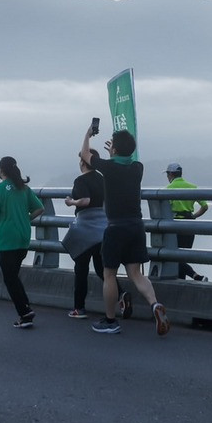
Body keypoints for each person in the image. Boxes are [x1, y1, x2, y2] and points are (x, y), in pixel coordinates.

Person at [81, 126, 170, 336]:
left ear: (114, 150)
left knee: (109, 274)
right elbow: (125, 157)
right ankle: (155, 304)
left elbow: (86, 155)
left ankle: (111, 320)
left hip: (115, 228)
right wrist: (117, 151)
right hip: (136, 226)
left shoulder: (109, 168)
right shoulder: (138, 167)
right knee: (136, 274)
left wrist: (87, 134)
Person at [0, 156, 43, 328]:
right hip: (23, 237)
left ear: (1, 170)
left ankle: (24, 313)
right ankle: (26, 307)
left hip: (7, 238)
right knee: (13, 276)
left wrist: (1, 220)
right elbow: (40, 208)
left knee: (9, 278)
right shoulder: (23, 188)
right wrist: (25, 218)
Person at [62, 152, 125, 319]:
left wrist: (71, 202)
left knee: (81, 268)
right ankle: (122, 295)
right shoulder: (103, 178)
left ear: (83, 162)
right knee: (101, 268)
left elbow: (85, 200)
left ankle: (79, 308)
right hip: (103, 228)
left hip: (86, 231)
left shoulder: (81, 180)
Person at [164, 163, 210, 281]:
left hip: (175, 225)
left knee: (173, 257)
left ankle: (195, 276)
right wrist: (193, 216)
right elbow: (205, 206)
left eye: (167, 175)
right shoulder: (192, 187)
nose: (167, 178)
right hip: (189, 225)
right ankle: (185, 280)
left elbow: (164, 211)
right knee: (182, 256)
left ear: (171, 174)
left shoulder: (168, 190)